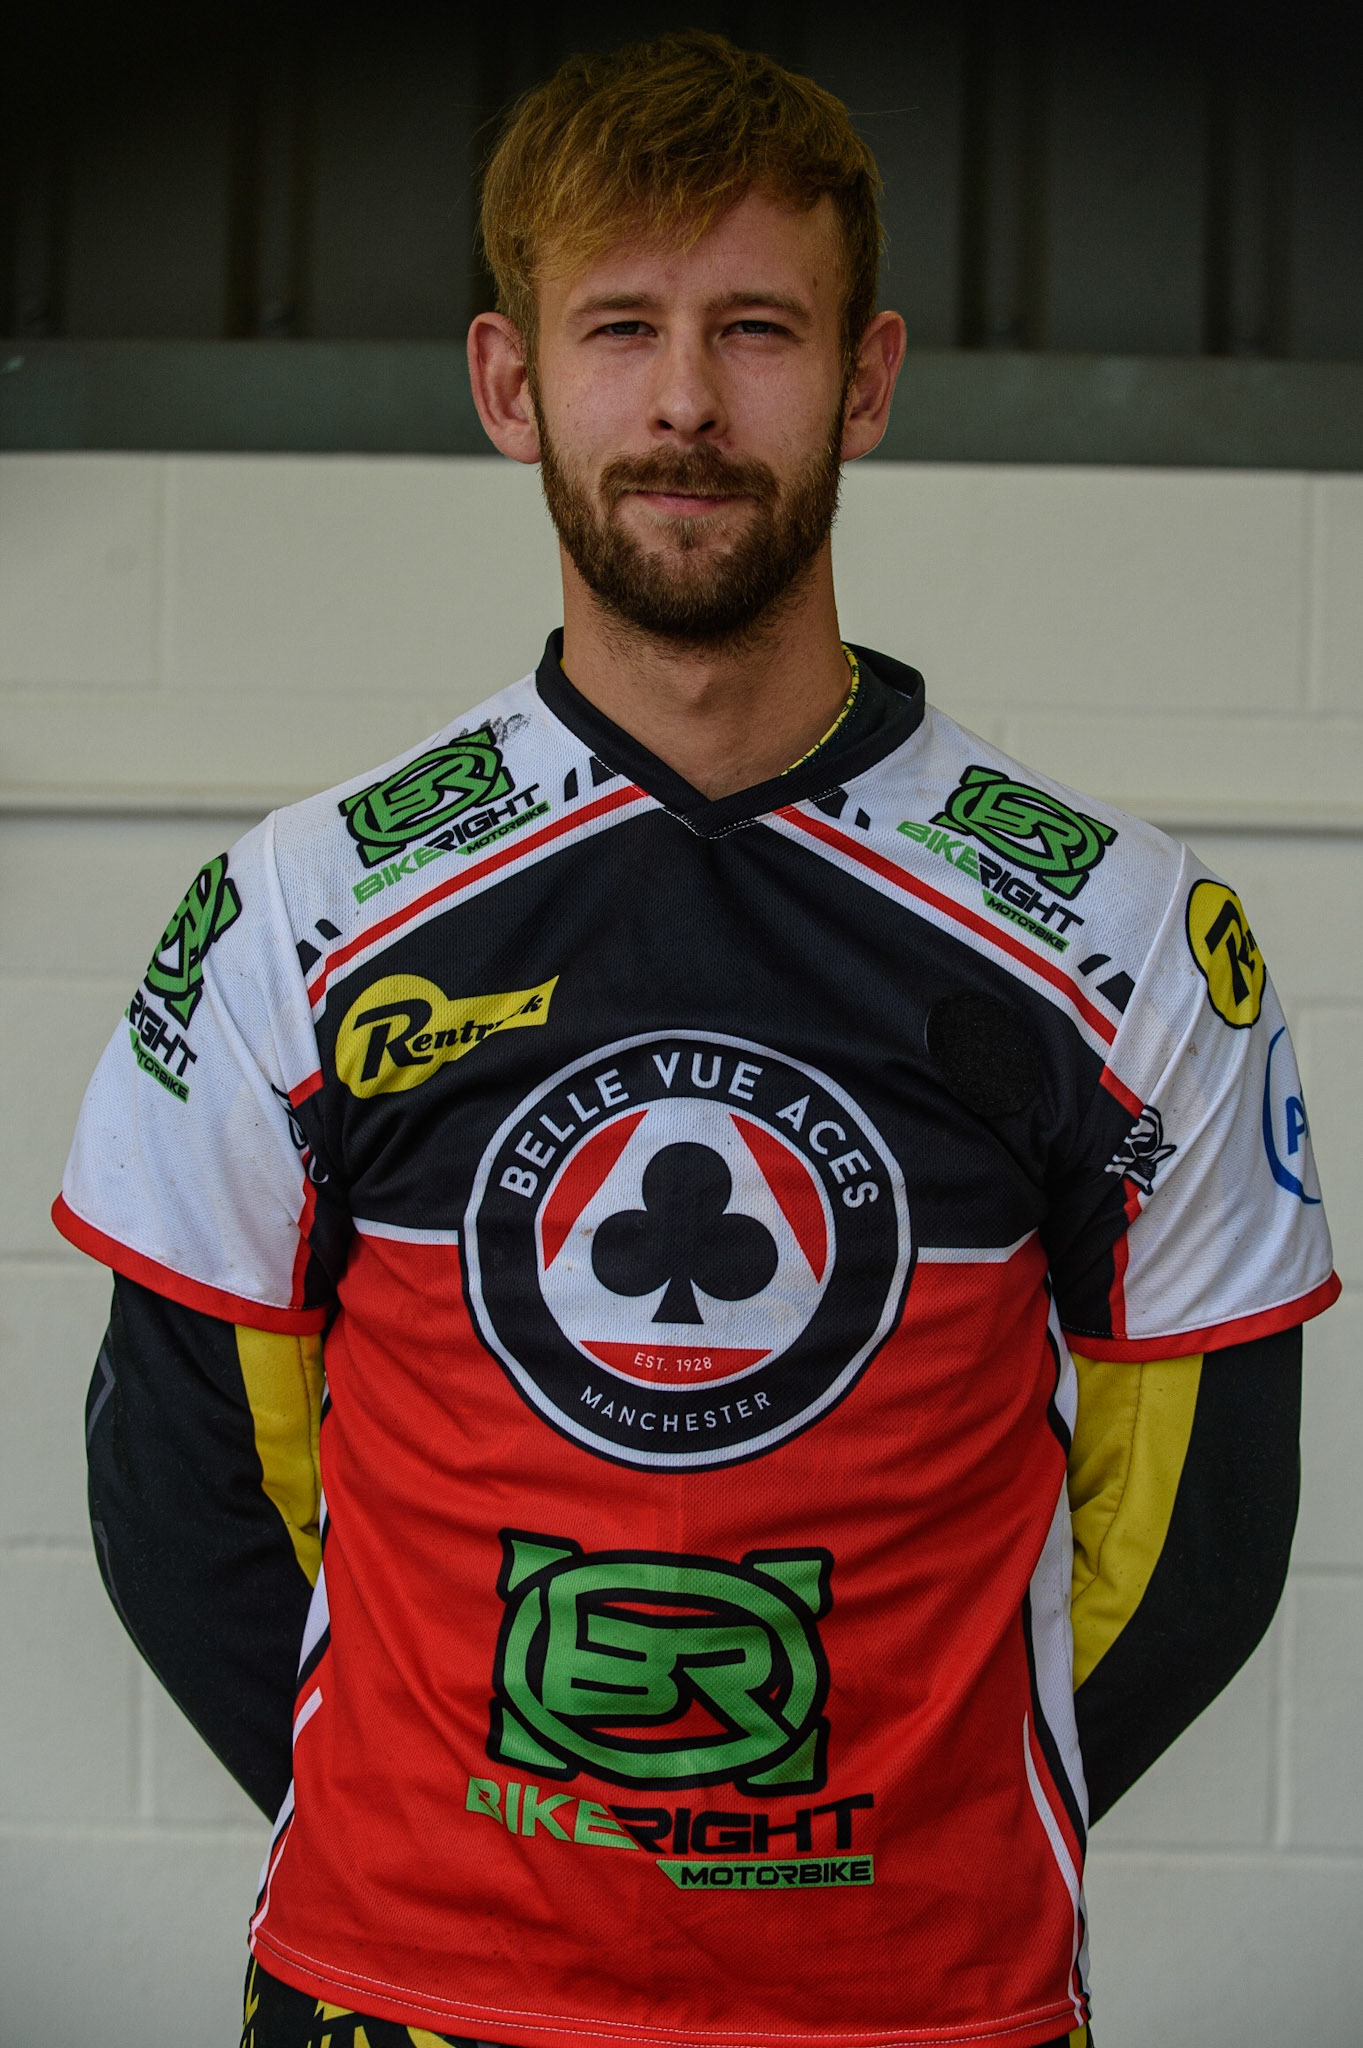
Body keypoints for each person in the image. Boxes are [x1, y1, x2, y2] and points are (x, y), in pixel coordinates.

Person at [57, 32, 1337, 2048]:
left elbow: (1193, 1533)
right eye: (618, 328)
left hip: (922, 2008)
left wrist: (903, 1821)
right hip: (398, 1997)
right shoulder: (296, 919)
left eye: (754, 329)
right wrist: (452, 1831)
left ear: (867, 377)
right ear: (508, 382)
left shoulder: (1122, 934)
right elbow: (186, 1484)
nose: (680, 401)